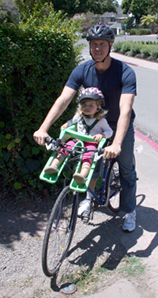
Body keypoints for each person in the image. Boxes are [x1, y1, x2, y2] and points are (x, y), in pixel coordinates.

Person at [33, 24, 137, 232]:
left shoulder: (125, 72)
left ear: (110, 45)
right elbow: (63, 99)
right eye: (93, 44)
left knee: (126, 169)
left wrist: (116, 143)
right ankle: (88, 198)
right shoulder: (82, 69)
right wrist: (43, 128)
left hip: (118, 125)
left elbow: (125, 109)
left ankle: (129, 211)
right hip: (93, 125)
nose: (97, 48)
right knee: (89, 161)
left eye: (102, 44)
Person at [44, 87, 113, 188]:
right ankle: (53, 166)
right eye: (84, 105)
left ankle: (82, 176)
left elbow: (109, 131)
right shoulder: (79, 116)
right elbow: (71, 122)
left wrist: (101, 135)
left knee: (88, 157)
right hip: (77, 140)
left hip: (91, 143)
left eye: (91, 105)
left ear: (98, 107)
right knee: (64, 148)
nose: (87, 107)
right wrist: (67, 124)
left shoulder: (100, 121)